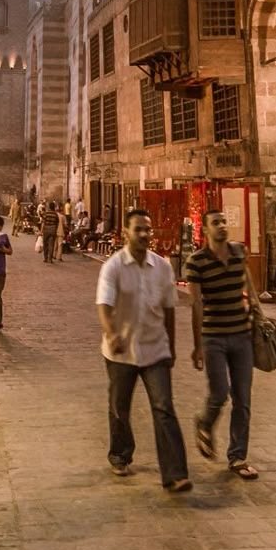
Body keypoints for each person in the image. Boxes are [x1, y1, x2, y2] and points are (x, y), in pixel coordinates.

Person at [95, 209, 191, 492]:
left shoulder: (162, 267)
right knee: (119, 407)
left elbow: (169, 309)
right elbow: (104, 305)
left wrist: (171, 346)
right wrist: (111, 334)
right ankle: (120, 455)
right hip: (121, 352)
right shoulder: (113, 266)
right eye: (138, 229)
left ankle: (175, 473)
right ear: (126, 232)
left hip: (155, 350)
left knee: (164, 409)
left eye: (148, 229)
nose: (145, 234)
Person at [186, 210, 259, 480]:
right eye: (215, 223)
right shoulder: (196, 262)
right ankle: (204, 423)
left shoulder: (240, 252)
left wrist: (256, 312)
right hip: (213, 336)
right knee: (220, 393)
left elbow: (248, 287)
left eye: (224, 221)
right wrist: (197, 346)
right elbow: (196, 304)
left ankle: (238, 456)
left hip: (242, 335)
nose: (222, 226)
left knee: (243, 399)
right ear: (204, 229)